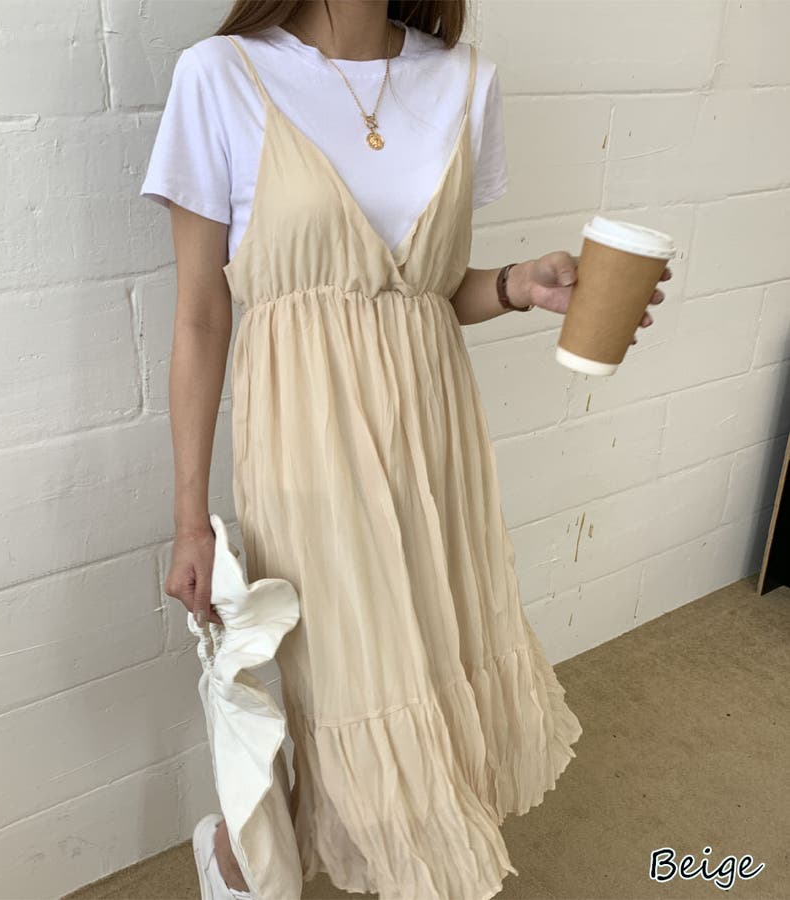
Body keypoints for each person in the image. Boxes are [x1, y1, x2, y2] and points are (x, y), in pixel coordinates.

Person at [140, 2, 671, 898]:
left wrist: (516, 285)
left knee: (434, 665)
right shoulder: (221, 75)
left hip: (434, 436)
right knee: (349, 688)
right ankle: (237, 859)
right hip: (306, 445)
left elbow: (420, 289)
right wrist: (190, 519)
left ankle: (271, 860)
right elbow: (201, 317)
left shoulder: (464, 80)